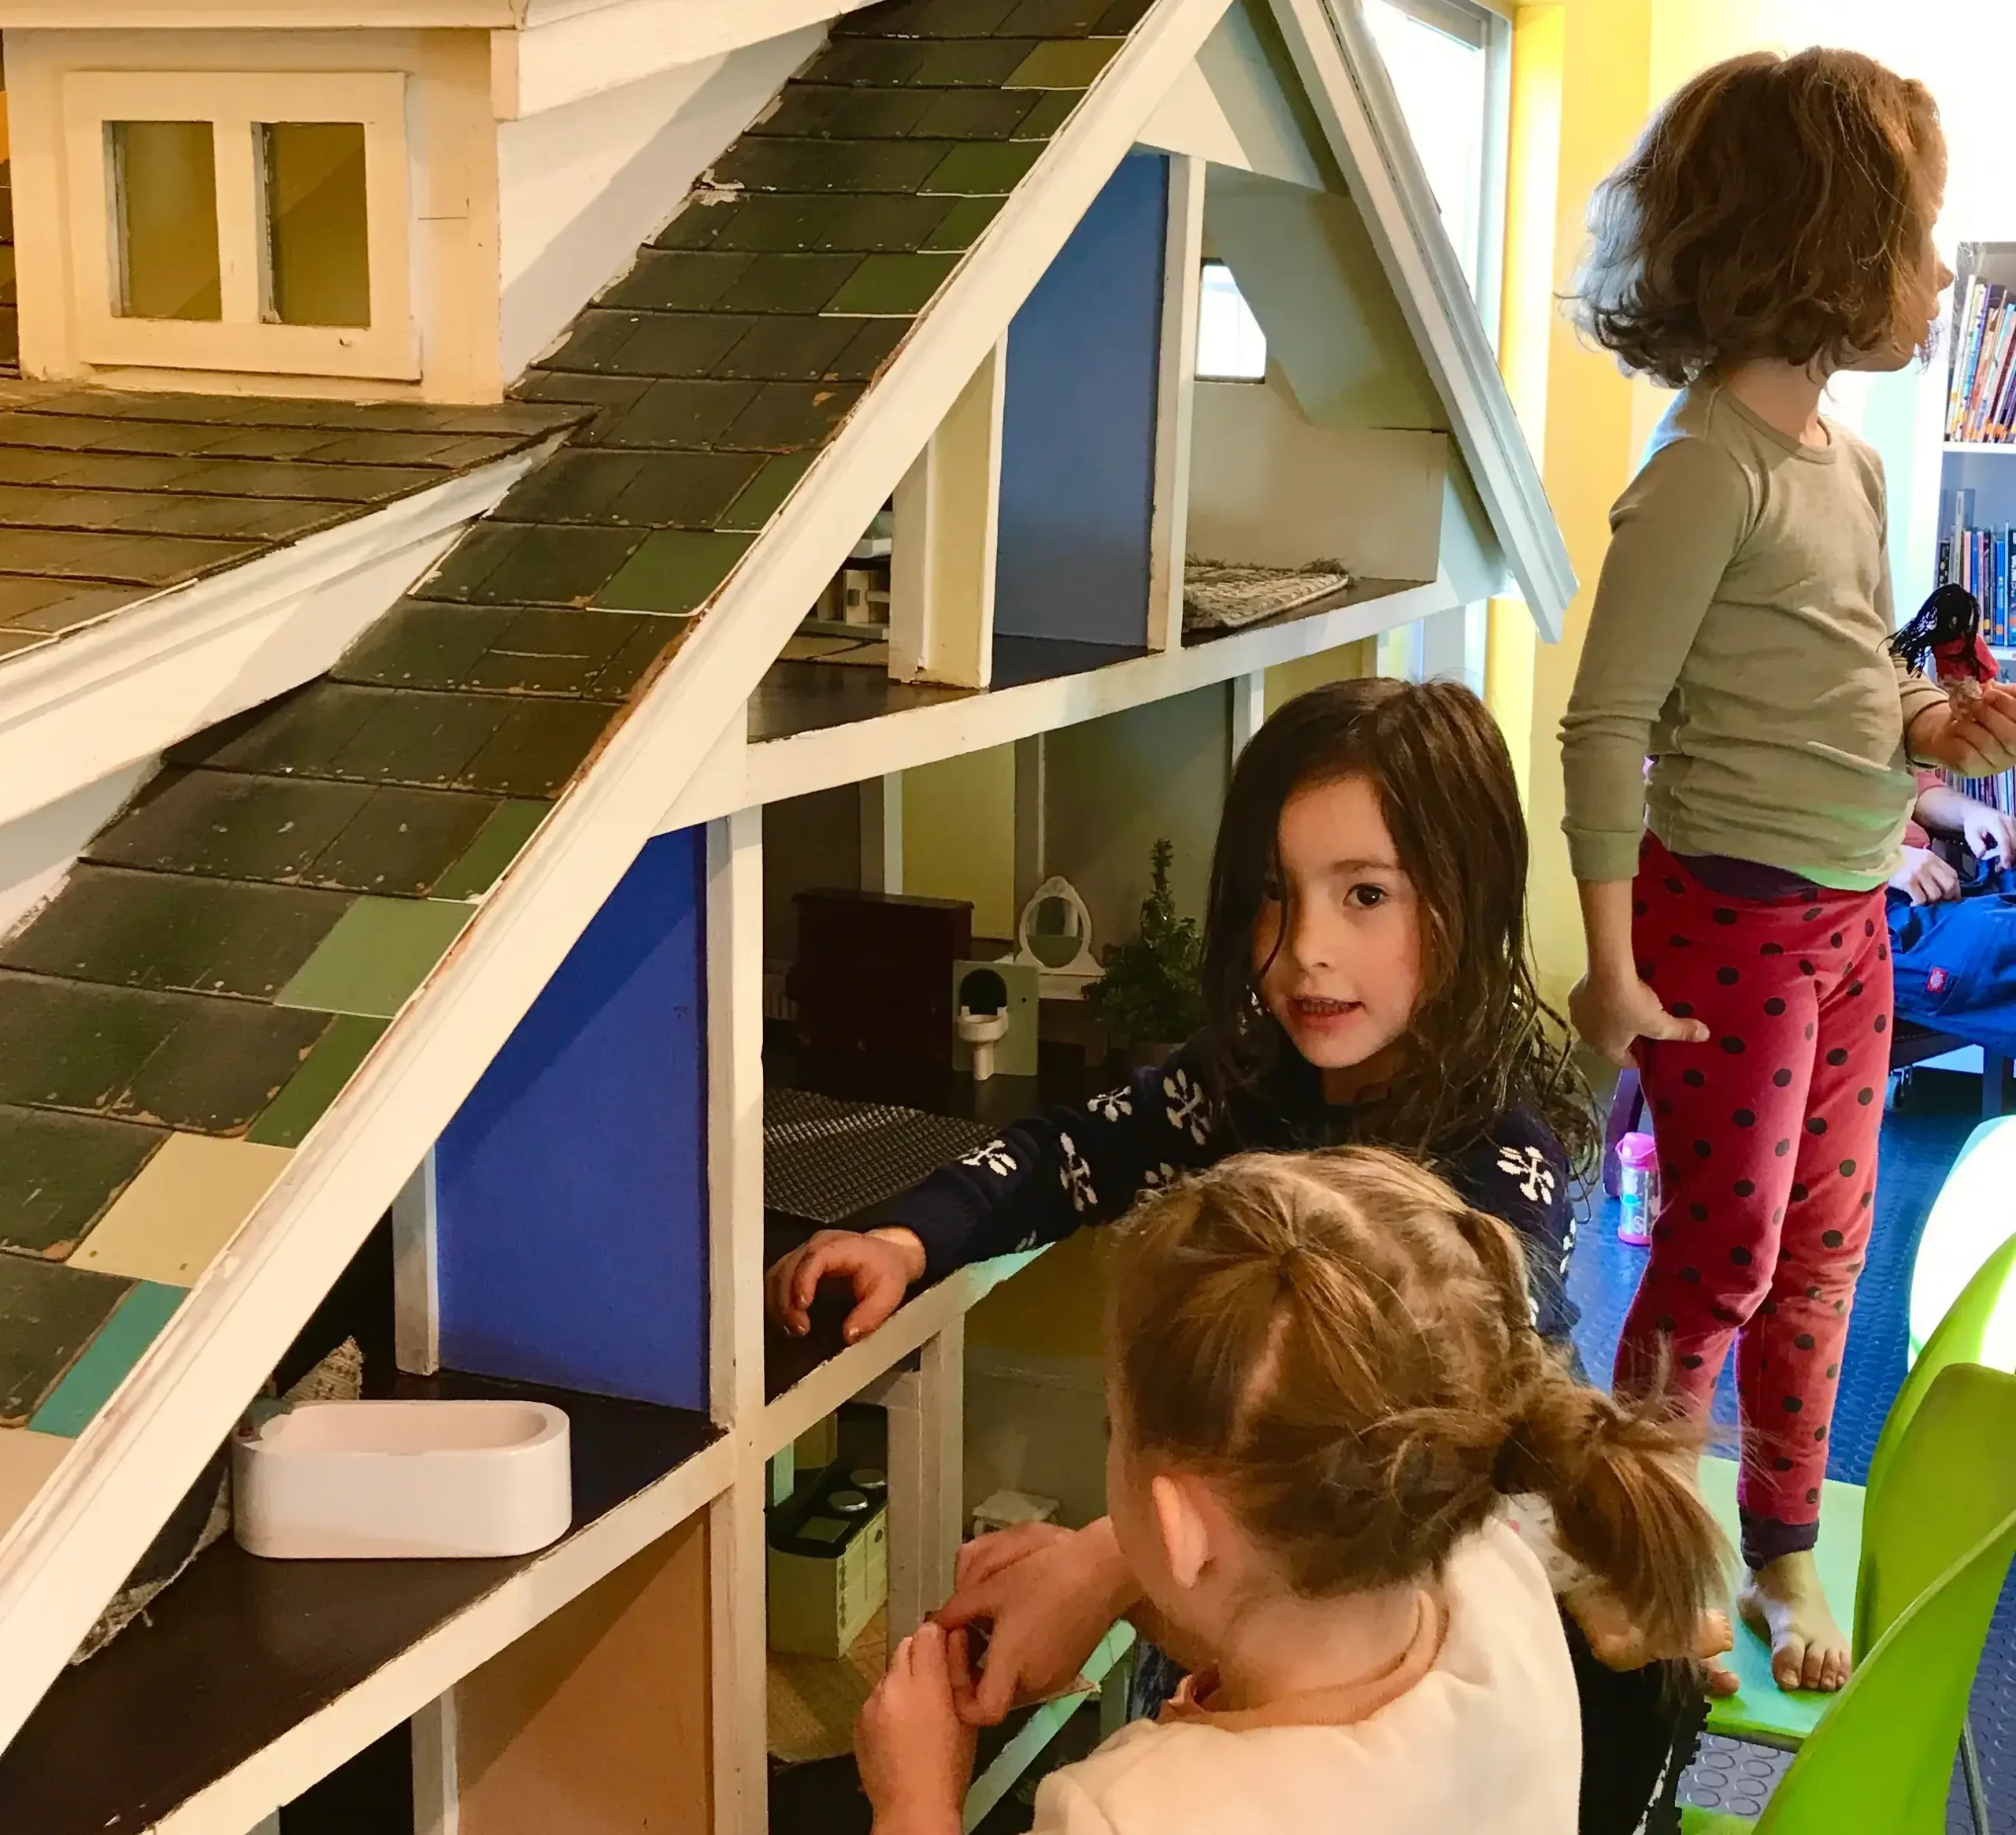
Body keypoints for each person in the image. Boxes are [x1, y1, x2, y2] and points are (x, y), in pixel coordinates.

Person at [770, 676, 1721, 1834]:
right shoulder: (1244, 1078)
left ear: (1464, 906)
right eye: (1276, 896)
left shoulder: (1493, 1160)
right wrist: (909, 1236)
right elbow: (1074, 1149)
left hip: (1472, 1672)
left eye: (1365, 893)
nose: (1306, 950)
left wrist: (1105, 1562)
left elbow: (1365, 1447)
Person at [1559, 46, 2016, 1694]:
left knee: (1824, 1245)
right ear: (1818, 245)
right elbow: (1606, 724)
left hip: (1843, 917)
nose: (1935, 274)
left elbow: (1838, 670)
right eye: (1914, 238)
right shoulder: (1703, 476)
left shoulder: (1850, 462)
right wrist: (1611, 967)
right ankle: (1638, 1528)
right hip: (1726, 922)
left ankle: (1771, 1537)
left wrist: (1932, 720)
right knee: (1716, 1253)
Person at [854, 1149, 1728, 1835]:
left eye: (1112, 1429)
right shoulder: (1491, 1575)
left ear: (1181, 1526)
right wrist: (1120, 1578)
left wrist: (916, 1803)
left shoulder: (1127, 1809)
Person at [1888, 769, 2016, 1052]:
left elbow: (1911, 787)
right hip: (1861, 914)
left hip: (1942, 877)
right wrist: (1878, 861)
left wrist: (1971, 814)